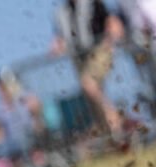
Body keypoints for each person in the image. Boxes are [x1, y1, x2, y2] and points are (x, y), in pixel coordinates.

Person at [52, 0, 125, 140]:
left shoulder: (94, 4)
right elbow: (60, 38)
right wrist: (57, 46)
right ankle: (109, 133)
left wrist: (110, 39)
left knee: (88, 84)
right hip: (79, 58)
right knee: (92, 95)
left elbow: (110, 21)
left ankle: (115, 121)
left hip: (99, 50)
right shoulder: (61, 13)